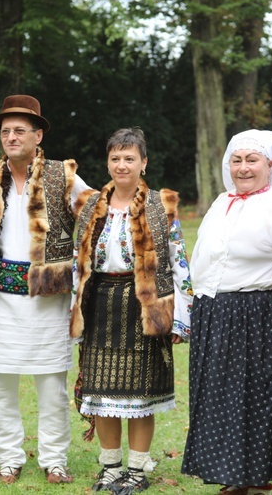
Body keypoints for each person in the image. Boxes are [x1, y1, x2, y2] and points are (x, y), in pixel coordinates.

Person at [181, 130, 272, 495]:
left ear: (270, 165)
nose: (243, 168)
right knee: (219, 401)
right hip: (214, 315)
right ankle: (234, 477)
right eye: (236, 160)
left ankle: (254, 480)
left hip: (253, 317)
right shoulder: (221, 201)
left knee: (251, 402)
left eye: (252, 160)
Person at [0, 94, 90, 484]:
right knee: (0, 382)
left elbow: (95, 216)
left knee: (51, 384)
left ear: (38, 135)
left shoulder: (63, 175)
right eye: (6, 131)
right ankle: (9, 459)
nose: (11, 137)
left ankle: (54, 460)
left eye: (20, 130)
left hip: (48, 297)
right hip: (0, 296)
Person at [70, 127, 193, 494]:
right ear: (107, 162)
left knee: (141, 394)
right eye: (115, 158)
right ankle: (110, 468)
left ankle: (137, 471)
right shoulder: (92, 205)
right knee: (103, 390)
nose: (122, 165)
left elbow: (178, 261)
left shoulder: (161, 205)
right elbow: (79, 262)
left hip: (146, 306)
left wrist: (180, 317)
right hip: (101, 302)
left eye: (129, 158)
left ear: (144, 163)